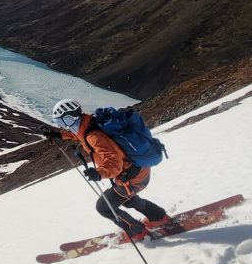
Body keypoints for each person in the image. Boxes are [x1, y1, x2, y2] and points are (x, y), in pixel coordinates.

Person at [41, 98, 170, 241]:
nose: (62, 126)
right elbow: (78, 136)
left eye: (61, 122)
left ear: (70, 119)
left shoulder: (93, 136)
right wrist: (58, 134)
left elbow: (114, 162)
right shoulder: (88, 124)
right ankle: (158, 217)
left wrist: (98, 173)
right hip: (139, 172)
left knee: (103, 207)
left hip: (132, 178)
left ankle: (136, 231)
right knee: (126, 200)